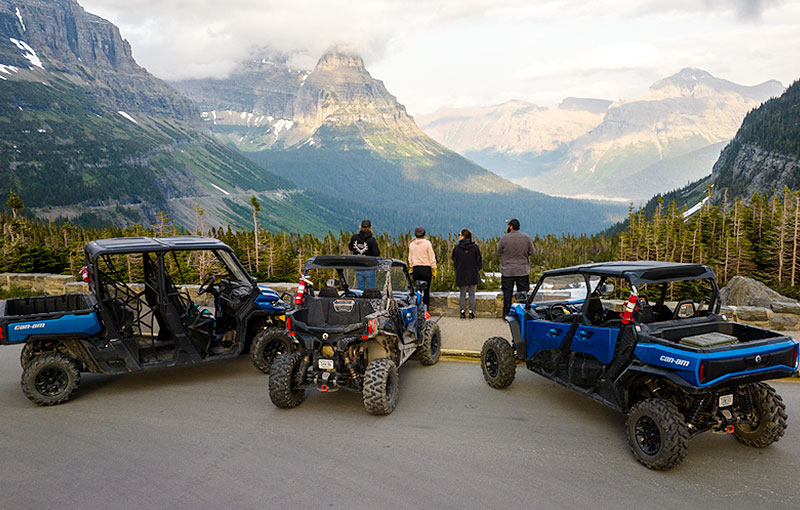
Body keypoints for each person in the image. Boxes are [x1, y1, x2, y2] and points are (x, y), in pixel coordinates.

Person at [497, 218, 535, 317]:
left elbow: (498, 252)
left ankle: (507, 314)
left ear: (510, 226)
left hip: (507, 271)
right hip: (522, 270)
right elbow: (532, 252)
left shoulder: (504, 238)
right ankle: (523, 315)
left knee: (507, 294)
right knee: (522, 295)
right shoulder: (526, 237)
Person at [452, 228, 482, 319]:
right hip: (473, 273)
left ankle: (462, 311)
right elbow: (479, 260)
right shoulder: (475, 247)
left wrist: (457, 268)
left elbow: (454, 259)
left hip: (461, 273)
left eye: (459, 235)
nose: (459, 236)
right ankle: (471, 311)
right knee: (472, 294)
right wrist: (477, 269)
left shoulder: (457, 248)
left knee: (462, 294)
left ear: (463, 236)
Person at [408, 226, 436, 308]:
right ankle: (426, 308)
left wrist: (411, 266)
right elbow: (431, 256)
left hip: (416, 269)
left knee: (417, 290)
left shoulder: (412, 244)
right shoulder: (427, 243)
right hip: (426, 268)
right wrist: (434, 268)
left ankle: (418, 308)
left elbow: (410, 258)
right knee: (426, 290)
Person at [348, 219, 380, 290]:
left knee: (360, 287)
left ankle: (360, 300)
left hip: (358, 266)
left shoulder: (354, 237)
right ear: (370, 227)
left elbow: (350, 247)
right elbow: (376, 253)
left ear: (360, 227)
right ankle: (371, 300)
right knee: (371, 288)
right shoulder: (372, 240)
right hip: (369, 267)